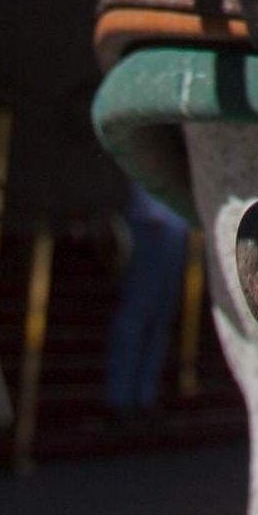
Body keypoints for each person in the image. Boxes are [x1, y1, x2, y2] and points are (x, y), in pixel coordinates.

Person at [104, 173, 193, 418]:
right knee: (136, 314)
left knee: (160, 318)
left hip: (176, 227)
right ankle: (120, 395)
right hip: (151, 224)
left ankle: (144, 394)